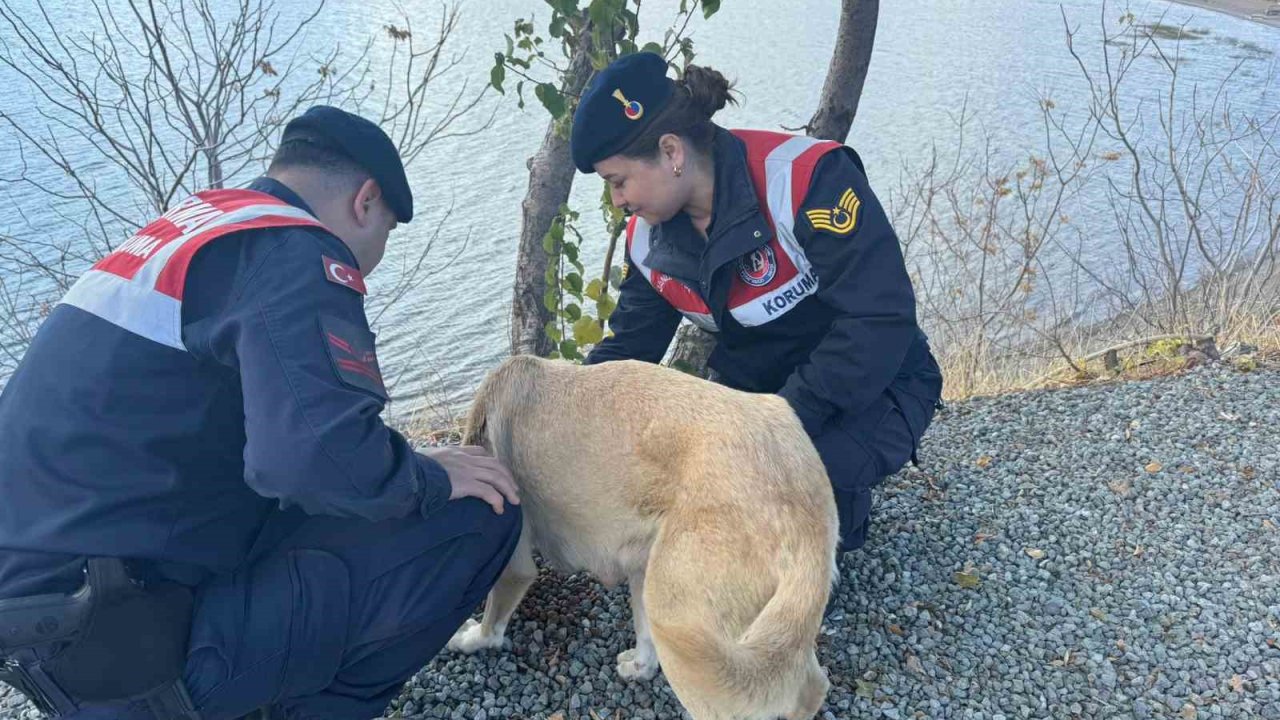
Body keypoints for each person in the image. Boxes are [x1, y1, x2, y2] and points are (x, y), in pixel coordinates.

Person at [0, 106, 521, 719]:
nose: (374, 257)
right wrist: (430, 478)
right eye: (385, 232)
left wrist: (396, 466)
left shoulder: (193, 231)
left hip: (50, 629)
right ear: (366, 200)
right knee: (480, 514)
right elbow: (316, 464)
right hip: (132, 643)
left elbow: (276, 446)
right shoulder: (293, 252)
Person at [572, 53, 944, 553]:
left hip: (879, 384)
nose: (617, 200)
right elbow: (628, 350)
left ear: (671, 151)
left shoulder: (808, 179)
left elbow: (879, 320)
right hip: (760, 402)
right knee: (689, 499)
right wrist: (567, 415)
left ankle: (833, 509)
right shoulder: (647, 240)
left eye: (618, 181)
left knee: (769, 510)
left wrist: (773, 432)